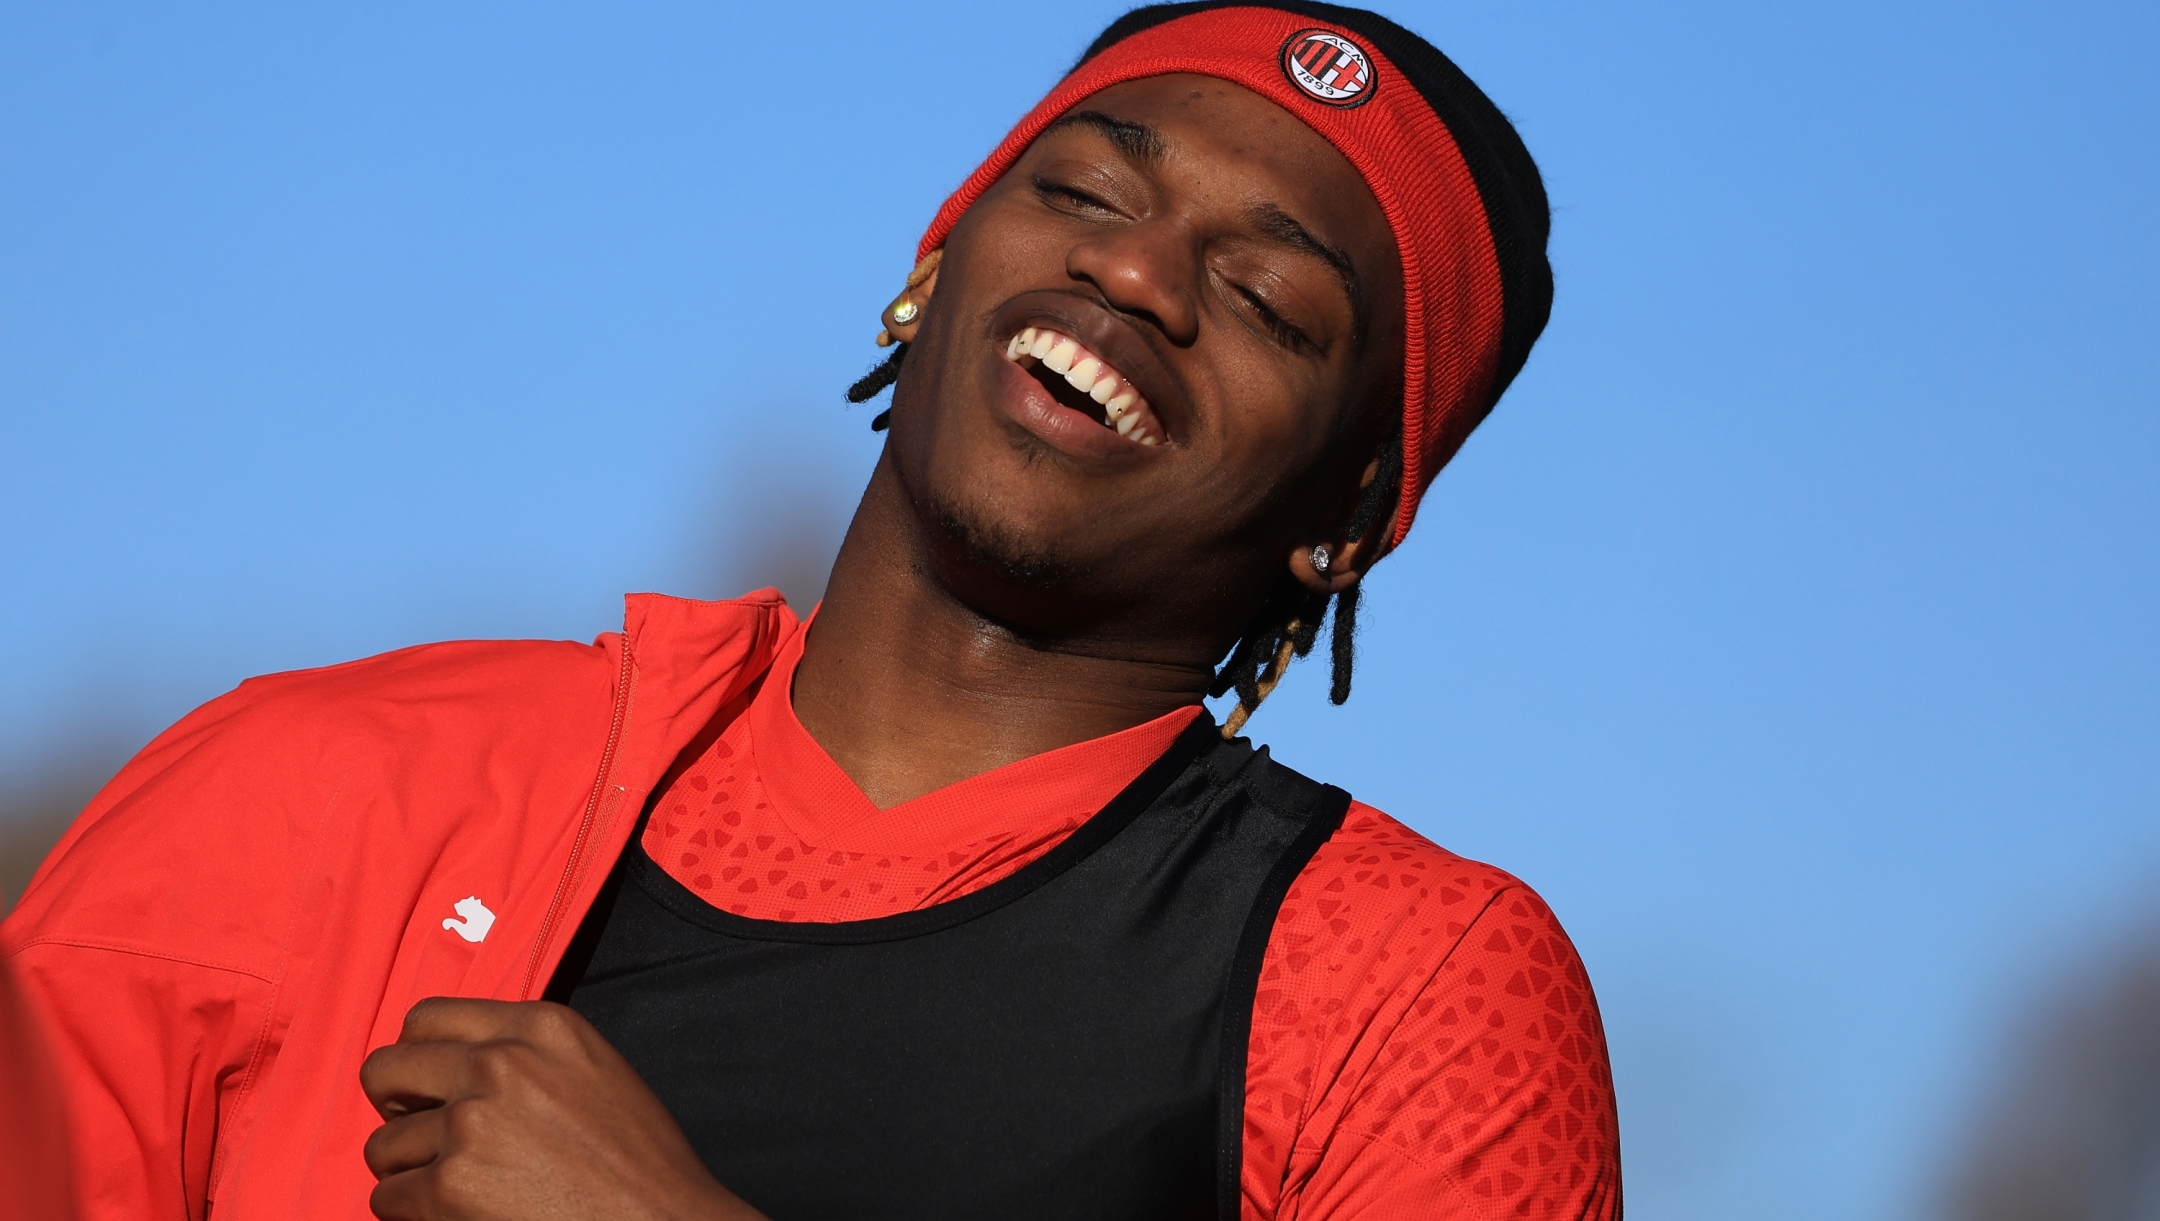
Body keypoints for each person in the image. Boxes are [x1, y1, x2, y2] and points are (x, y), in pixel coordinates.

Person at [0, 3, 1621, 1218]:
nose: (1139, 278)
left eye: (1268, 301)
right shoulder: (324, 792)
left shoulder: (1403, 992)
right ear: (934, 265)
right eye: (1082, 191)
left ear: (1345, 521)